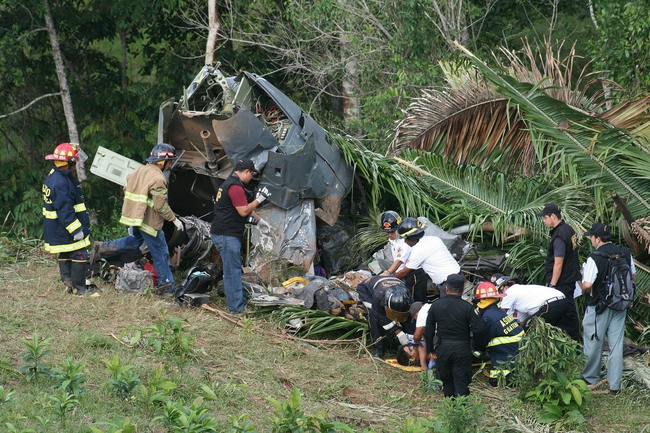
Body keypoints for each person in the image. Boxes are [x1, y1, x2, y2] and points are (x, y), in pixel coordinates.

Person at [89, 143, 184, 295]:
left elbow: (127, 188)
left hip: (135, 218)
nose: (171, 164)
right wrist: (174, 220)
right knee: (161, 252)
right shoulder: (159, 178)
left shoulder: (139, 170)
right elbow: (160, 206)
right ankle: (167, 287)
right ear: (163, 161)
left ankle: (102, 247)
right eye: (170, 161)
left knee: (134, 241)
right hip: (149, 223)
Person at [579, 223, 636, 395]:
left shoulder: (594, 258)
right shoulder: (625, 252)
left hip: (599, 307)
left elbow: (588, 286)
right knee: (616, 344)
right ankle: (615, 385)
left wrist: (579, 283)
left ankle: (590, 378)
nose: (591, 240)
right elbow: (633, 276)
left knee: (593, 341)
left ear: (597, 238)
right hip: (621, 305)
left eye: (591, 237)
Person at [210, 158, 271, 313]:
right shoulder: (235, 187)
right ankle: (236, 308)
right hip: (227, 235)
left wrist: (260, 221)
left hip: (225, 233)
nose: (251, 178)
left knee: (234, 270)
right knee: (232, 272)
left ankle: (239, 300)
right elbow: (243, 210)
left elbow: (245, 207)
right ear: (246, 172)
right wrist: (259, 199)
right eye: (251, 174)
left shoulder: (231, 184)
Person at [42, 143, 94, 296]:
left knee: (65, 252)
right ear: (68, 163)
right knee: (79, 254)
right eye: (73, 163)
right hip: (65, 228)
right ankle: (80, 289)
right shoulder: (60, 183)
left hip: (58, 228)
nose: (74, 167)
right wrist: (76, 230)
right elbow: (65, 211)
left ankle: (68, 282)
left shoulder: (55, 176)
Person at [424, 273, 484, 398]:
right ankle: (461, 410)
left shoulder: (435, 305)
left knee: (447, 381)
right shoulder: (468, 308)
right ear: (462, 290)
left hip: (443, 348)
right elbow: (479, 329)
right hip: (462, 349)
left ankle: (449, 407)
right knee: (461, 381)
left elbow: (428, 330)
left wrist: (431, 350)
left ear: (446, 288)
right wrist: (475, 346)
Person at [537, 203, 581, 329]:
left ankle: (572, 343)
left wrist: (552, 286)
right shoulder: (568, 229)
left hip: (561, 283)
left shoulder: (559, 236)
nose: (544, 221)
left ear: (553, 216)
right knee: (569, 312)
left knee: (566, 315)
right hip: (570, 280)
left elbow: (558, 262)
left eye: (545, 218)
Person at [496, 276, 581, 342]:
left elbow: (501, 315)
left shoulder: (510, 291)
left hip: (550, 305)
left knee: (533, 328)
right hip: (562, 301)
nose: (500, 298)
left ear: (505, 287)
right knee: (562, 331)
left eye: (499, 293)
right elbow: (523, 322)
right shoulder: (522, 297)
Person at [394, 217, 460, 298]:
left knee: (446, 307)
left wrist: (391, 279)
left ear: (411, 238)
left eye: (406, 239)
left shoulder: (419, 249)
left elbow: (404, 272)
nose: (405, 242)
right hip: (458, 276)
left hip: (449, 283)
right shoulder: (434, 239)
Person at [473, 282, 524, 386]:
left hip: (507, 357)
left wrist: (474, 353)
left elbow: (482, 341)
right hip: (518, 352)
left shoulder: (488, 318)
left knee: (494, 383)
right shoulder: (499, 312)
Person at [357, 275, 413, 359]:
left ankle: (401, 341)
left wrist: (411, 337)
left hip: (390, 284)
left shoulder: (408, 298)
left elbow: (410, 317)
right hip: (366, 291)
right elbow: (381, 316)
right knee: (374, 316)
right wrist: (399, 333)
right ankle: (378, 348)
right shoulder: (378, 296)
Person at [378, 212, 428, 302]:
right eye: (387, 232)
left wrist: (387, 274)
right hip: (403, 274)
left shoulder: (403, 241)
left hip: (413, 274)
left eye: (392, 232)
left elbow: (399, 261)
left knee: (415, 302)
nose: (389, 235)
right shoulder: (393, 240)